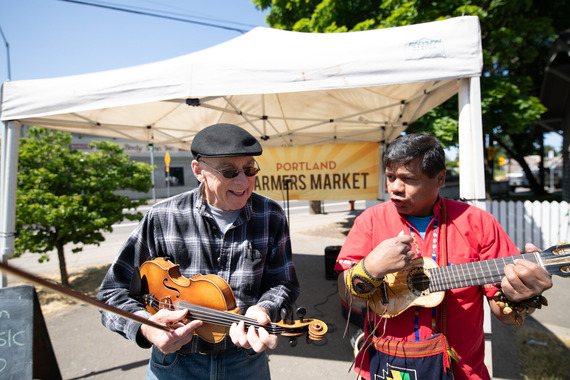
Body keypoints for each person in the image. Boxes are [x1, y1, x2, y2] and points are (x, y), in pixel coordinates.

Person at [335, 133, 552, 380]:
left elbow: (506, 316)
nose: (394, 187)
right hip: (382, 368)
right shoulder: (370, 221)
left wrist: (523, 298)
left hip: (461, 372)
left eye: (408, 178)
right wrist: (370, 269)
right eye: (390, 177)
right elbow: (348, 296)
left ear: (440, 178)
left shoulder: (478, 223)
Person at [97, 123, 300, 379]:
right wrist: (147, 328)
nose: (242, 181)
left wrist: (265, 309)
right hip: (175, 364)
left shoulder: (271, 215)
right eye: (229, 171)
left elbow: (284, 284)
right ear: (199, 170)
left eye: (250, 169)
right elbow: (111, 293)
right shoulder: (162, 216)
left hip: (245, 362)